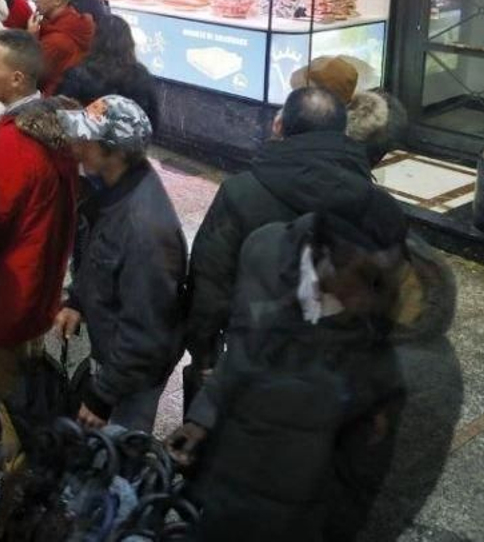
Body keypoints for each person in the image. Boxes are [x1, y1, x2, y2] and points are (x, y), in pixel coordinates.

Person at [168, 210, 412, 542]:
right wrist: (203, 417)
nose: (372, 299)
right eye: (366, 278)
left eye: (383, 283)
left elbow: (361, 482)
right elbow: (243, 346)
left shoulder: (378, 361)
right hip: (229, 496)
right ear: (326, 260)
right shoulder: (266, 255)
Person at [183, 86, 406, 402]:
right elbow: (391, 293)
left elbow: (210, 283)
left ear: (278, 126)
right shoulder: (380, 206)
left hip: (254, 360)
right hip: (338, 371)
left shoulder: (241, 193)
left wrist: (204, 354)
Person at [0, 31, 77, 509]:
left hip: (9, 288)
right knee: (26, 376)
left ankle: (16, 478)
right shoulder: (55, 124)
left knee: (11, 393)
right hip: (40, 276)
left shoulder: (13, 142)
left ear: (19, 78)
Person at [53, 96, 186, 432]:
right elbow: (101, 257)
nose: (77, 145)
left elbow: (146, 329)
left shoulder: (145, 229)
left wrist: (103, 395)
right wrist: (78, 300)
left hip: (134, 378)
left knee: (119, 452)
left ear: (116, 153)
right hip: (117, 357)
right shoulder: (115, 190)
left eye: (87, 139)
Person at [56, 12, 159, 123]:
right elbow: (152, 120)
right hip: (130, 133)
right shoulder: (141, 75)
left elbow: (59, 112)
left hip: (85, 132)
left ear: (96, 40)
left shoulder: (79, 74)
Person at [29, 0, 94, 95]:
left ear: (58, 1)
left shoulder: (57, 41)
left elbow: (30, 75)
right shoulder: (72, 21)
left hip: (48, 100)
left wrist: (31, 39)